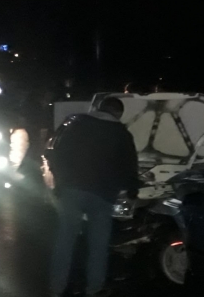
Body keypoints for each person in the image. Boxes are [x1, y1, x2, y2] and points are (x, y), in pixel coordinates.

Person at [48, 97, 138, 297]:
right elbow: (130, 167)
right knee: (98, 246)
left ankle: (56, 288)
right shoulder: (122, 134)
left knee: (65, 240)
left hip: (72, 190)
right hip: (102, 195)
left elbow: (58, 153)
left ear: (99, 108)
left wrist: (60, 183)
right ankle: (94, 288)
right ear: (118, 114)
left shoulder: (77, 125)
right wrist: (132, 191)